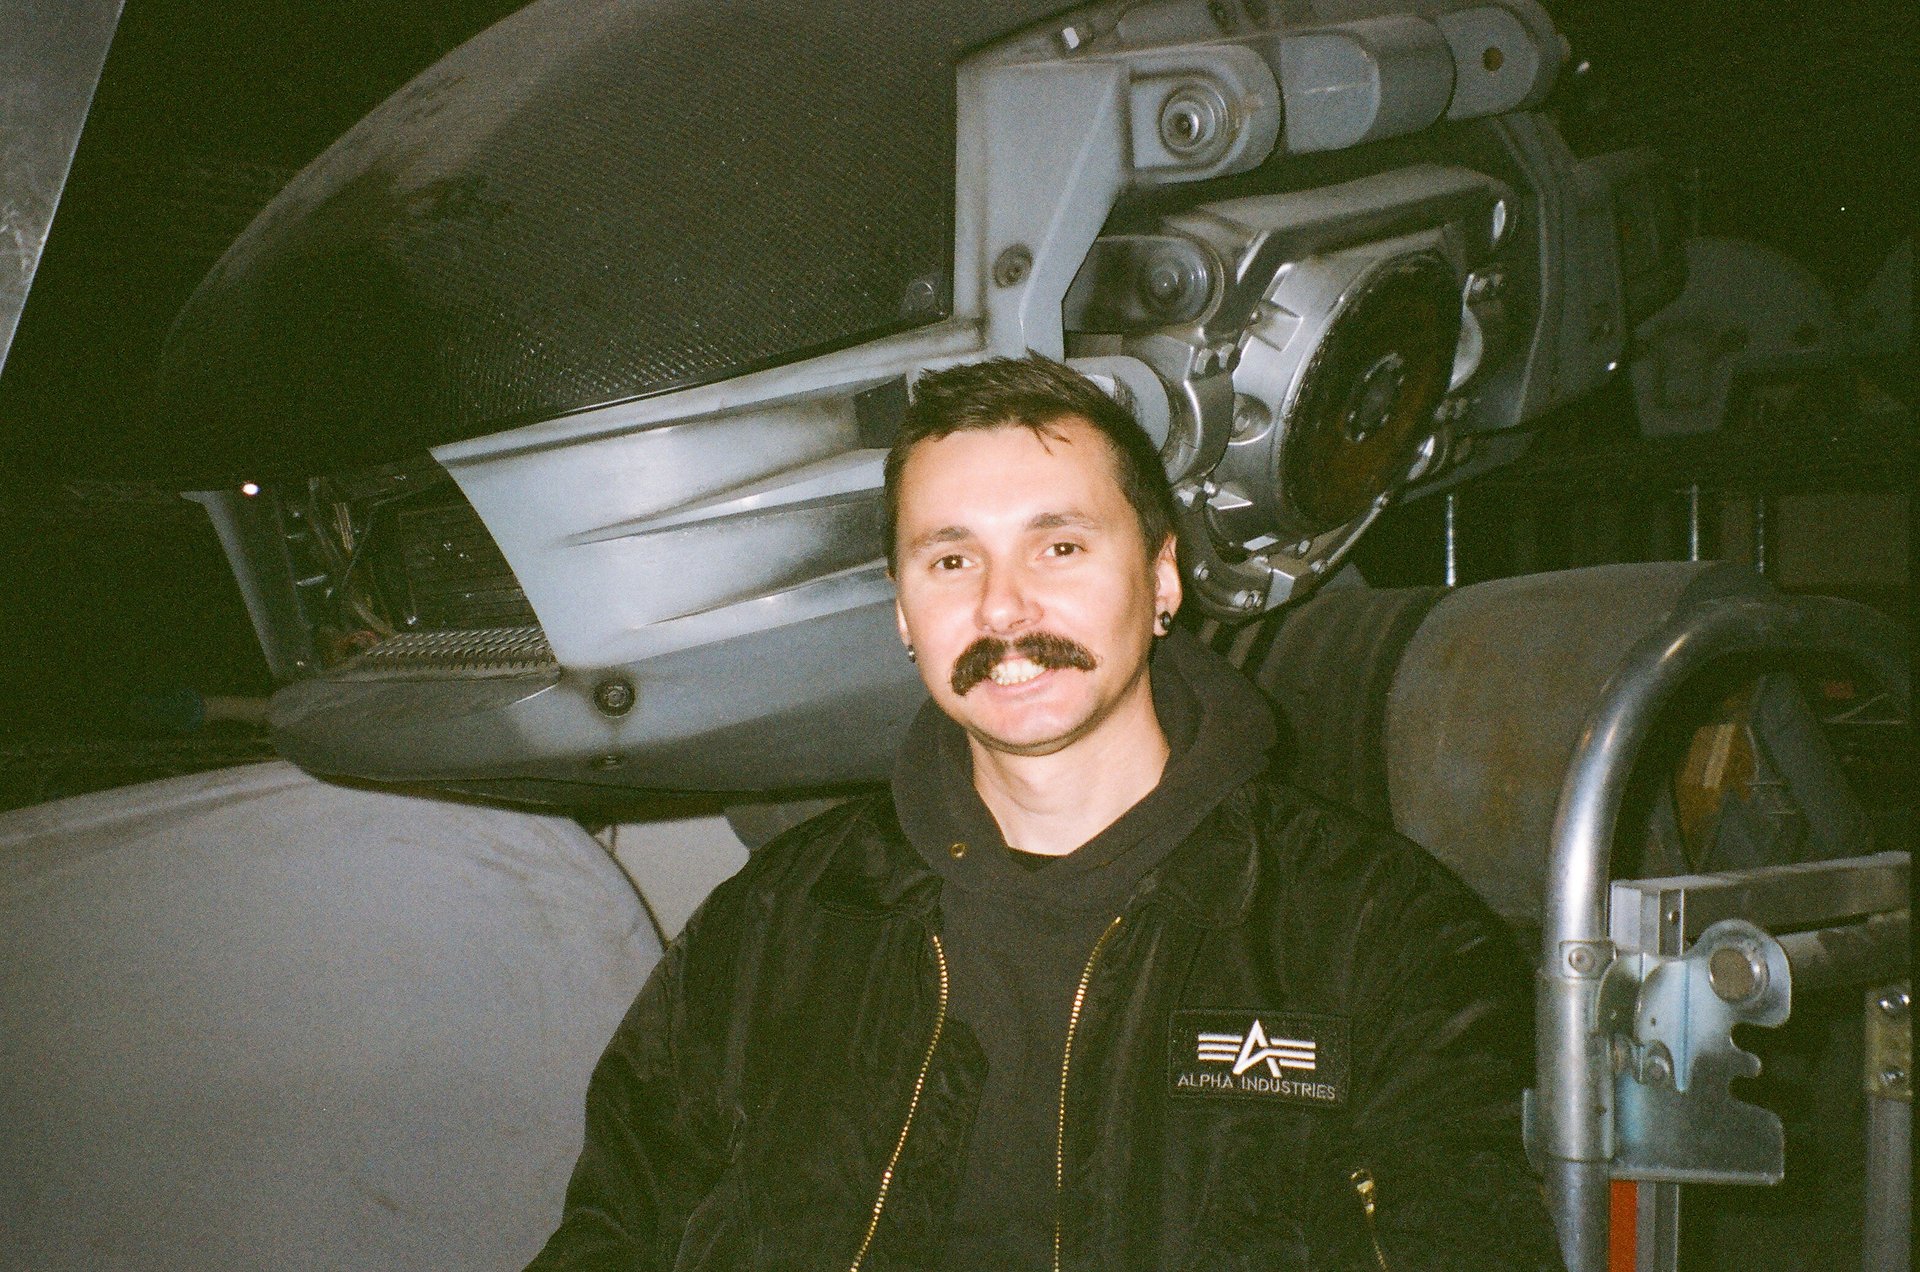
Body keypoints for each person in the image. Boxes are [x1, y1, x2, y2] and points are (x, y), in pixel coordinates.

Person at [527, 354, 1562, 1271]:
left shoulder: (1380, 938)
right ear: (902, 612)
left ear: (1162, 580)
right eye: (949, 560)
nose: (1003, 608)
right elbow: (614, 1233)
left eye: (1059, 548)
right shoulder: (775, 926)